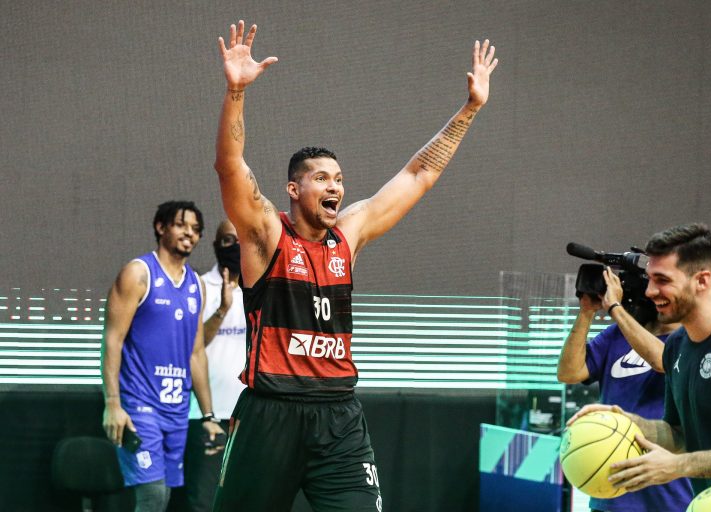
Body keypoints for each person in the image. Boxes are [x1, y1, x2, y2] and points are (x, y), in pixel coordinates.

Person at [211, 19, 498, 511]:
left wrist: (470, 108)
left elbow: (419, 174)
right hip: (271, 412)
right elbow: (230, 167)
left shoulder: (347, 236)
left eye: (339, 179)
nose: (336, 187)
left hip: (338, 416)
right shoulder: (267, 234)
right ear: (294, 189)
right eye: (322, 178)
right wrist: (236, 92)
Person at [569, 223, 711, 496]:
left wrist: (679, 466)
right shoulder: (676, 345)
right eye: (650, 279)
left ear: (702, 281)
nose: (650, 291)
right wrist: (627, 422)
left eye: (662, 280)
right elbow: (679, 434)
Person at [101, 200, 225, 512]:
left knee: (165, 498)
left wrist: (208, 416)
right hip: (140, 406)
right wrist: (113, 404)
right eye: (181, 225)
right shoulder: (138, 274)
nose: (189, 233)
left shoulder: (196, 285)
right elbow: (112, 341)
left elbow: (196, 353)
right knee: (152, 497)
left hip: (177, 410)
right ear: (161, 227)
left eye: (196, 229)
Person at [557, 266, 693, 511]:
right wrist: (587, 312)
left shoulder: (691, 340)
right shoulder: (617, 335)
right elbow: (569, 372)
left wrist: (615, 308)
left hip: (668, 497)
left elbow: (662, 361)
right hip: (611, 492)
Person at [183, 219, 246, 512]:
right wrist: (222, 309)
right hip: (208, 416)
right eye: (228, 241)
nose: (235, 247)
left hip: (249, 415)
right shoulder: (200, 286)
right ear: (216, 246)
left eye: (241, 240)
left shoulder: (260, 289)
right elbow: (193, 346)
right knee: (204, 501)